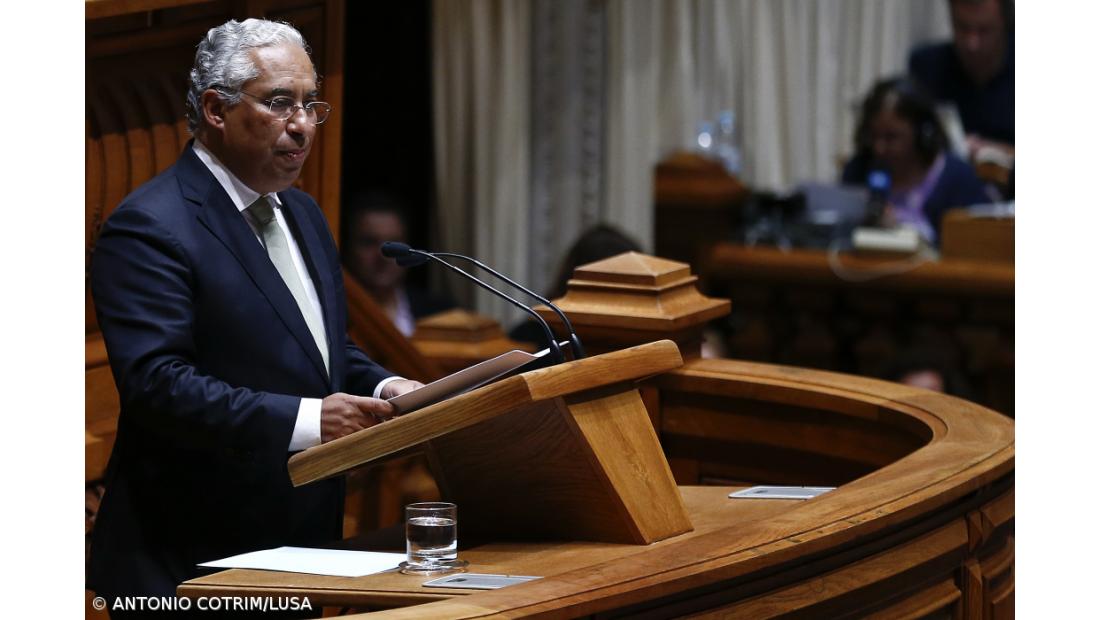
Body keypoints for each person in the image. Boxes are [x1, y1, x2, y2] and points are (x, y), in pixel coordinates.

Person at [88, 19, 422, 610]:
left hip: (298, 542)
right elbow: (157, 385)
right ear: (216, 110)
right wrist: (310, 420)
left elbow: (321, 350)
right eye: (279, 104)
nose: (301, 126)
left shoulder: (303, 213)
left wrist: (390, 384)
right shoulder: (150, 226)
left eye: (311, 106)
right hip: (189, 558)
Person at [841, 77, 994, 246]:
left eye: (891, 137)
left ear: (923, 135)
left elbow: (977, 248)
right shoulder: (858, 170)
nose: (879, 148)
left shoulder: (958, 179)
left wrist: (901, 233)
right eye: (874, 136)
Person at [908, 0, 1014, 160]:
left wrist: (995, 153)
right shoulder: (927, 67)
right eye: (962, 28)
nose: (972, 43)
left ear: (1006, 24)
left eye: (984, 30)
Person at [343, 193, 455, 336]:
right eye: (369, 242)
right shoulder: (332, 315)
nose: (383, 256)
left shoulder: (440, 314)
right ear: (347, 249)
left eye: (394, 244)